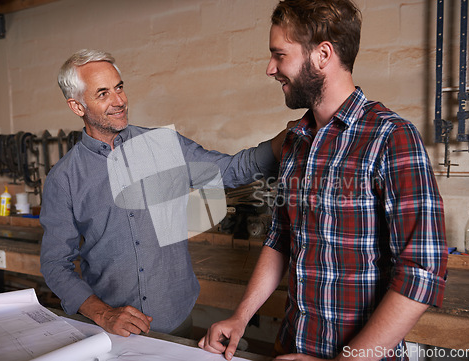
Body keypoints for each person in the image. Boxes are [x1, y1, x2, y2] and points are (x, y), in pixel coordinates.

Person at [199, 1, 447, 360]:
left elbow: (421, 272)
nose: (271, 69)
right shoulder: (295, 140)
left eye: (279, 55)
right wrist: (241, 317)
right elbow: (281, 237)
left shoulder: (391, 137)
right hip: (292, 347)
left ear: (322, 54)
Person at [40, 49, 289, 338]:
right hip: (111, 332)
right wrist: (103, 313)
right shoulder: (64, 179)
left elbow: (229, 170)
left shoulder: (163, 145)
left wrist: (280, 142)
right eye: (103, 94)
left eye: (119, 88)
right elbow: (55, 264)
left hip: (175, 319)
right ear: (77, 106)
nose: (119, 101)